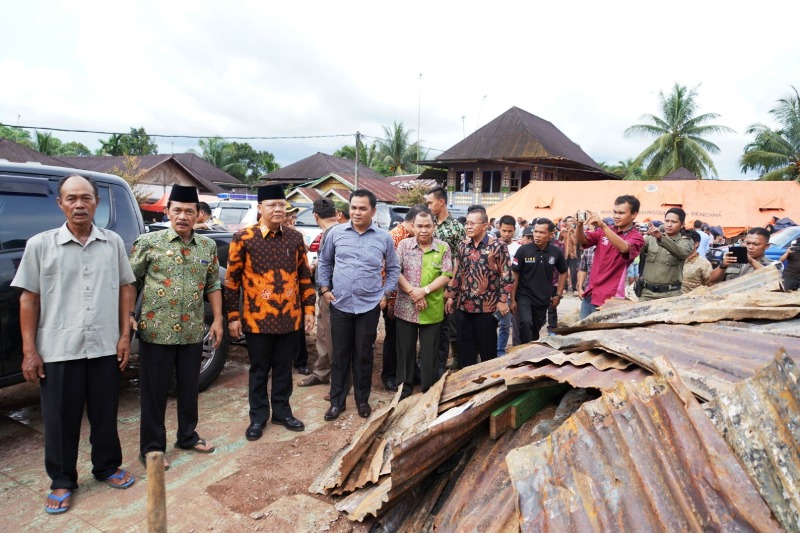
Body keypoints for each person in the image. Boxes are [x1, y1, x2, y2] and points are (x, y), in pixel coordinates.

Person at [12, 175, 136, 514]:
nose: (79, 204)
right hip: (58, 348)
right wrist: (29, 351)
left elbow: (127, 287)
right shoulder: (41, 245)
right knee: (60, 420)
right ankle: (63, 480)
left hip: (103, 346)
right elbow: (28, 300)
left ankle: (107, 466)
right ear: (60, 204)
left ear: (97, 202)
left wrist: (124, 335)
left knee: (105, 415)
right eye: (71, 198)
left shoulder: (111, 243)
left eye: (85, 198)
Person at [129, 185, 223, 468]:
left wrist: (217, 319)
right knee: (154, 393)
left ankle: (187, 435)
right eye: (177, 210)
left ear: (199, 215)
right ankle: (152, 448)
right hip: (156, 331)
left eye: (189, 211)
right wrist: (127, 316)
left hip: (193, 331)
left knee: (188, 388)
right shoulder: (148, 243)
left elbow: (213, 284)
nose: (183, 216)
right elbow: (130, 281)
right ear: (168, 212)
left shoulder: (207, 246)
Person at [224, 185, 315, 440]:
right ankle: (258, 417)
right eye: (272, 205)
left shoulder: (295, 238)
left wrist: (309, 309)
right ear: (260, 208)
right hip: (257, 319)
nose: (277, 209)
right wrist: (233, 316)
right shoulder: (244, 238)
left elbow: (305, 276)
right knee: (259, 369)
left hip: (290, 317)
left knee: (284, 368)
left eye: (281, 205)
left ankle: (283, 412)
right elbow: (232, 281)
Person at [317, 189, 400, 421]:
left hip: (369, 306)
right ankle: (337, 402)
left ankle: (362, 401)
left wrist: (385, 294)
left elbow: (393, 269)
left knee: (364, 355)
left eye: (362, 208)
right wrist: (324, 289)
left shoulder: (383, 238)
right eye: (353, 207)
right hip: (340, 304)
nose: (356, 212)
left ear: (373, 211)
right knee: (340, 355)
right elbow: (324, 262)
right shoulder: (336, 233)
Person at [395, 210, 453, 398]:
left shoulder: (443, 247)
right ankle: (405, 386)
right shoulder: (404, 245)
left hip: (432, 307)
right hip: (406, 307)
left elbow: (446, 275)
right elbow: (395, 271)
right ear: (413, 227)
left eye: (428, 226)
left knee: (430, 351)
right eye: (419, 226)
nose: (423, 230)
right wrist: (414, 292)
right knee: (406, 350)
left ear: (434, 227)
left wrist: (424, 291)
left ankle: (428, 388)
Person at [445, 206, 513, 367]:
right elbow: (458, 272)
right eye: (467, 223)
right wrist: (451, 297)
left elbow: (507, 275)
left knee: (487, 352)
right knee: (465, 351)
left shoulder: (498, 246)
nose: (468, 226)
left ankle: (488, 385)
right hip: (463, 307)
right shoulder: (463, 246)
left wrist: (503, 301)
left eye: (472, 223)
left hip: (487, 308)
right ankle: (467, 385)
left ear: (485, 225)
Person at [576, 195, 645, 319]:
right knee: (580, 335)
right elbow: (582, 241)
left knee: (599, 336)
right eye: (615, 212)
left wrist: (603, 225)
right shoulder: (605, 231)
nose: (616, 216)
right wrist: (580, 225)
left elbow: (624, 248)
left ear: (634, 214)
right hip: (591, 293)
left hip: (610, 298)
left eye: (621, 213)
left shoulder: (636, 237)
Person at [382, 205, 426, 392]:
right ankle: (390, 375)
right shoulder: (395, 237)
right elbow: (387, 270)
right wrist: (391, 299)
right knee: (394, 339)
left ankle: (410, 371)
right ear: (413, 223)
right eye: (420, 225)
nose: (423, 229)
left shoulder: (410, 237)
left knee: (408, 338)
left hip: (411, 297)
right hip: (395, 299)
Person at [299, 197, 340, 388]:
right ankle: (322, 372)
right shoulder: (333, 232)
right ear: (336, 213)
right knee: (323, 333)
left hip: (331, 293)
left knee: (333, 338)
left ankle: (338, 381)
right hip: (327, 293)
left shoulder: (334, 233)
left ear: (316, 216)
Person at [424, 185, 466, 374]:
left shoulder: (457, 227)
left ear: (441, 202)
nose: (428, 206)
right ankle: (432, 359)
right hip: (428, 281)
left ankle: (457, 356)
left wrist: (452, 284)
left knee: (451, 322)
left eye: (430, 202)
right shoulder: (428, 224)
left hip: (449, 282)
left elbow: (461, 258)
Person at [511, 218, 567, 343]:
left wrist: (558, 294)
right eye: (535, 231)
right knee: (525, 322)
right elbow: (515, 275)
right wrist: (513, 299)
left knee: (535, 330)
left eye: (541, 232)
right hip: (523, 296)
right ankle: (524, 353)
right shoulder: (523, 250)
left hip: (543, 298)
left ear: (551, 235)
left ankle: (530, 350)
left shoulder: (555, 252)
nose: (537, 235)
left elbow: (564, 271)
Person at [638, 208, 693, 301]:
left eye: (673, 222)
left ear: (682, 224)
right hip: (647, 293)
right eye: (667, 221)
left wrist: (660, 237)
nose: (669, 224)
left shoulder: (685, 241)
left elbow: (681, 253)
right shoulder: (651, 238)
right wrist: (637, 236)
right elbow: (634, 251)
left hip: (670, 294)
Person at [709, 227, 775, 284]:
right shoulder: (734, 260)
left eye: (756, 244)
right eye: (747, 243)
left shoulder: (773, 265)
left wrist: (751, 261)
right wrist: (723, 265)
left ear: (767, 246)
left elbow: (772, 279)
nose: (750, 247)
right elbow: (711, 279)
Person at [496, 215, 517, 355]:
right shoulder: (492, 246)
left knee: (505, 325)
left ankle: (500, 351)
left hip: (509, 293)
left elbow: (516, 275)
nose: (506, 234)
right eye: (504, 230)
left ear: (514, 230)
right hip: (492, 292)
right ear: (499, 228)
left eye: (510, 231)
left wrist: (513, 298)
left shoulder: (518, 249)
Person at [560, 215, 580, 295]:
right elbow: (559, 240)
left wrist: (571, 233)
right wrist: (562, 233)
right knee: (563, 270)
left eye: (571, 221)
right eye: (568, 221)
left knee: (573, 271)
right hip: (564, 254)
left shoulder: (576, 231)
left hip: (573, 254)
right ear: (566, 223)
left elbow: (575, 242)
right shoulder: (563, 231)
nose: (570, 222)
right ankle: (564, 287)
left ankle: (574, 288)